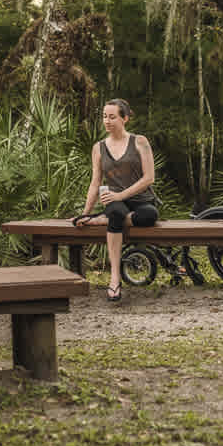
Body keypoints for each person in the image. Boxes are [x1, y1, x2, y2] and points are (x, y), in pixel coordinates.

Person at [72, 98, 157, 301]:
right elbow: (95, 183)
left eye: (112, 117)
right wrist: (85, 212)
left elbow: (149, 178)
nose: (107, 121)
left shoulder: (140, 141)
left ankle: (103, 218)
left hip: (141, 200)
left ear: (125, 118)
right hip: (115, 202)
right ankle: (115, 278)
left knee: (150, 215)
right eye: (104, 117)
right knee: (117, 212)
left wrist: (121, 194)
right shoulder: (98, 148)